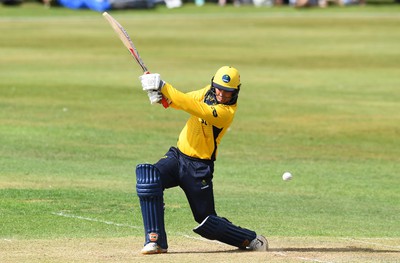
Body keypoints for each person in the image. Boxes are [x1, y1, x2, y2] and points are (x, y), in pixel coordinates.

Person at [136, 66, 268, 254]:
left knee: (206, 221)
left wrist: (163, 85)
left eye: (228, 91)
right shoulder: (209, 91)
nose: (222, 94)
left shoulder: (225, 112)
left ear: (236, 92)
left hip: (198, 169)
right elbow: (186, 99)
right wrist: (163, 99)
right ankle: (155, 241)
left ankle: (249, 238)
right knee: (149, 178)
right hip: (177, 156)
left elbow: (194, 107)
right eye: (219, 88)